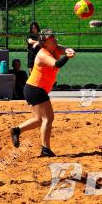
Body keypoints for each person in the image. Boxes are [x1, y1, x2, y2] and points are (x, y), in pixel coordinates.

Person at [11, 28, 76, 157]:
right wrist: (68, 57)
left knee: (39, 119)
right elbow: (56, 64)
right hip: (35, 88)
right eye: (52, 39)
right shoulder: (42, 54)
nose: (55, 40)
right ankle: (45, 149)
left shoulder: (55, 48)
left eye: (54, 37)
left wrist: (70, 50)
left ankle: (17, 130)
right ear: (45, 42)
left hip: (34, 89)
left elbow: (65, 49)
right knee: (48, 118)